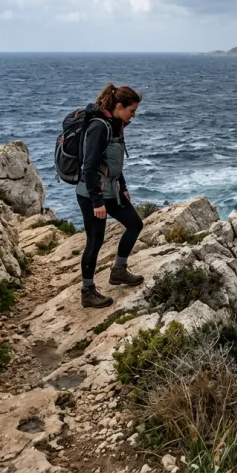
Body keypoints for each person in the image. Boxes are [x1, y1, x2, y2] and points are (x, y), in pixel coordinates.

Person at [76, 83, 145, 308]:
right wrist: (97, 200)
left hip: (112, 190)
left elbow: (114, 162)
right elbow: (89, 166)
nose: (133, 115)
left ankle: (118, 270)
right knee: (95, 241)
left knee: (135, 224)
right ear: (119, 105)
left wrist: (122, 185)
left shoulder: (116, 125)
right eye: (131, 110)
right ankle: (87, 291)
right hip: (92, 194)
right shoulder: (99, 127)